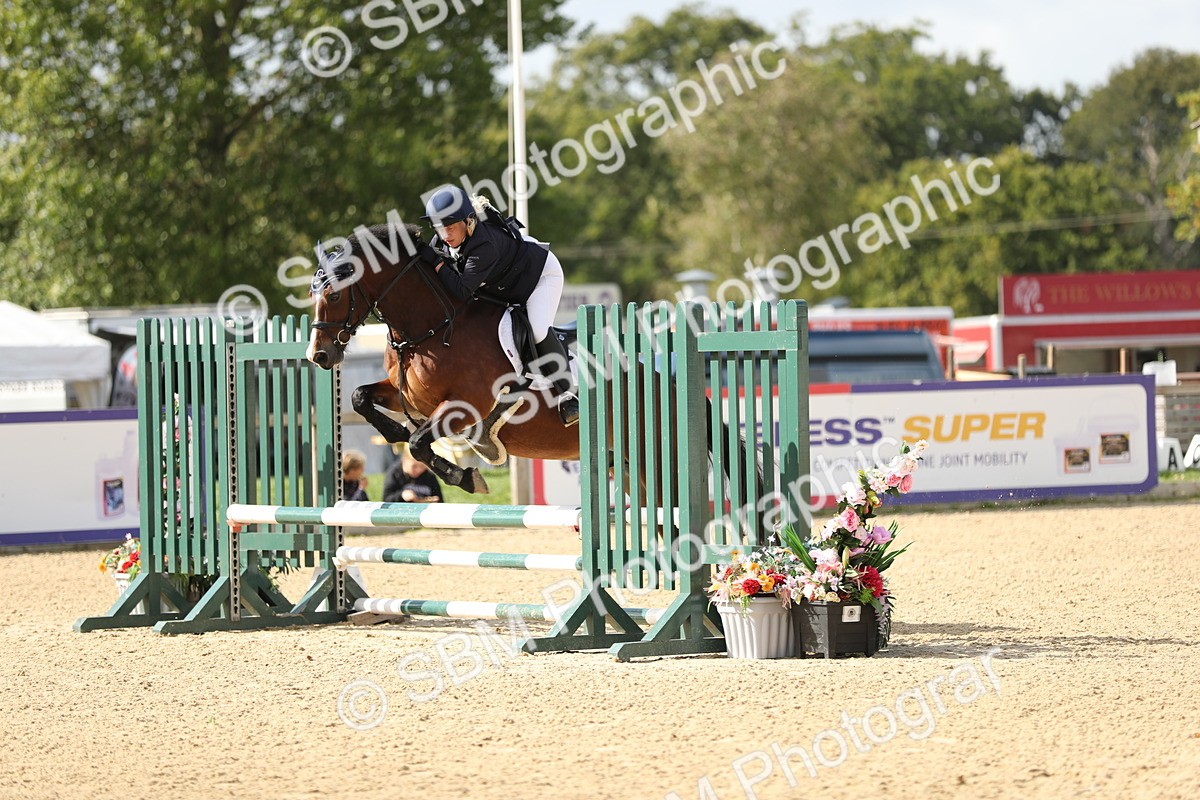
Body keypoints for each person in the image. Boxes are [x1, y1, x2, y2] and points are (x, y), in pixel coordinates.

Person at [414, 184, 579, 427]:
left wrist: (436, 263)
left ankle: (568, 394)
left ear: (468, 221)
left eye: (449, 227)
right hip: (504, 283)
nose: (444, 234)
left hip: (539, 276)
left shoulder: (484, 245)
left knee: (537, 329)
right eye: (439, 228)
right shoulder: (444, 240)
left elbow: (460, 289)